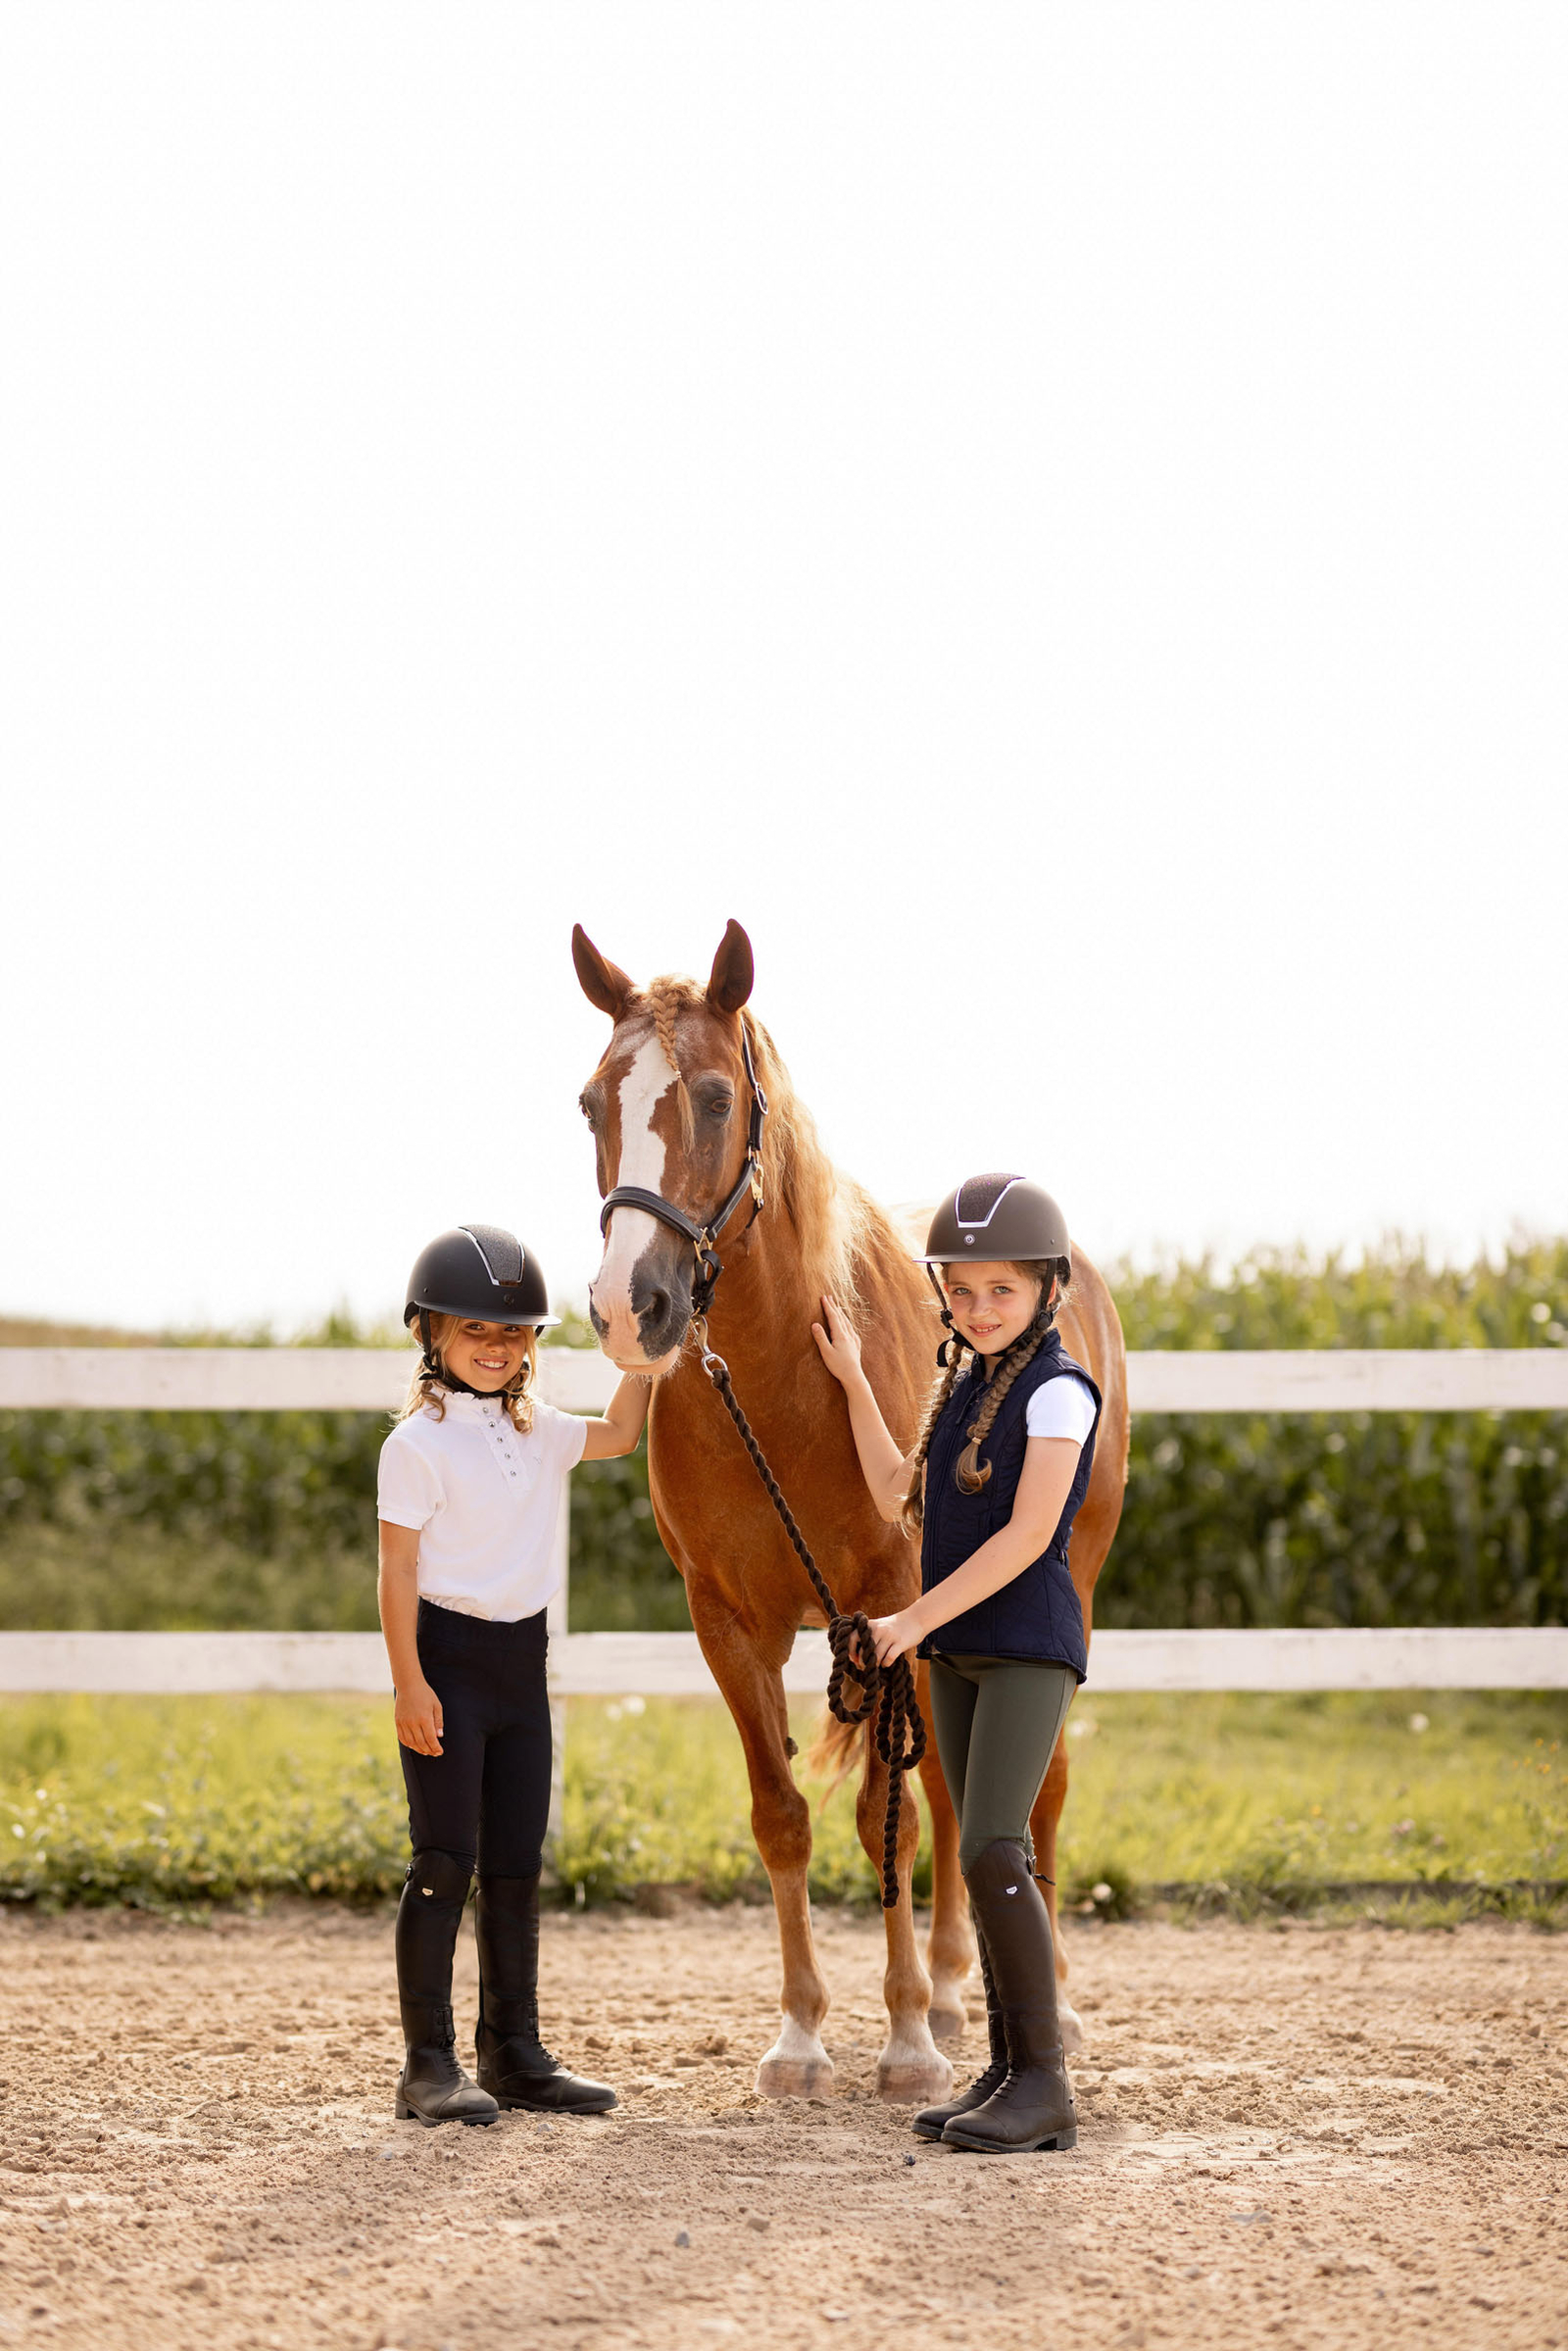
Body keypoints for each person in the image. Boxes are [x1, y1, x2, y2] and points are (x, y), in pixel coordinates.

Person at [811, 1173, 1101, 2154]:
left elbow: (1028, 1534)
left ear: (1047, 1289)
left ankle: (1045, 2084)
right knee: (980, 1852)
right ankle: (1008, 2068)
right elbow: (897, 1489)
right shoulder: (962, 1385)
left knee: (989, 1846)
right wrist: (856, 1379)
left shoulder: (1058, 1392)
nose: (978, 1307)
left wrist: (908, 1619)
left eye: (1001, 1290)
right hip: (962, 1651)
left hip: (1025, 1647)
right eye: (962, 1288)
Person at [377, 1223, 651, 2127]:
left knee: (514, 1866)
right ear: (431, 1332)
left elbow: (621, 1432)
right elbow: (398, 1572)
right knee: (443, 1861)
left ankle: (514, 2051)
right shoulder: (416, 1443)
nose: (496, 1347)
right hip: (448, 1666)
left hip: (521, 1669)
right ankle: (427, 2063)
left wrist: (647, 1347)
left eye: (512, 1332)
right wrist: (409, 1681)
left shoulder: (538, 1430)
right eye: (475, 1331)